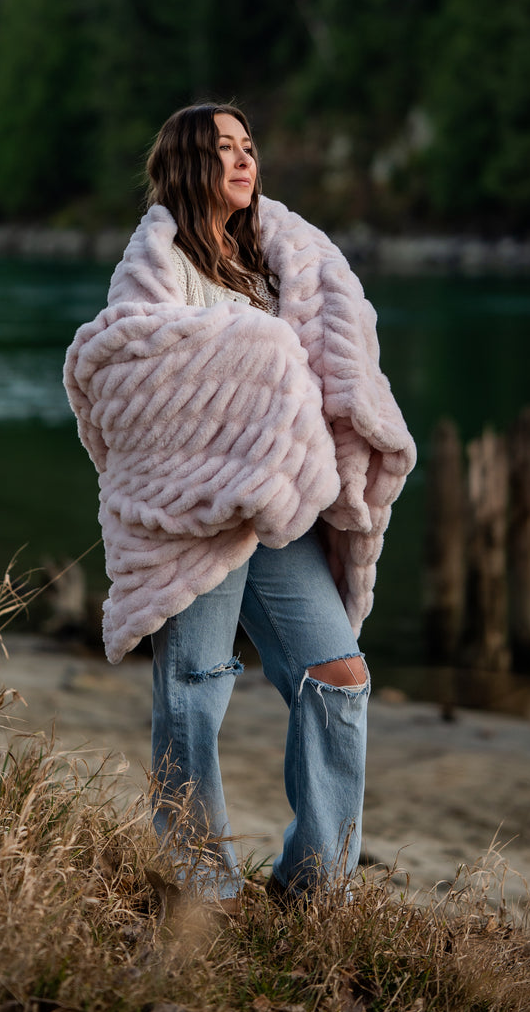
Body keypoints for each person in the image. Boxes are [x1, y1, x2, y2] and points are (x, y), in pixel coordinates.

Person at [63, 102, 416, 905]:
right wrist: (251, 355)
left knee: (339, 673)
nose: (243, 159)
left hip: (277, 500)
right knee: (194, 685)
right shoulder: (156, 262)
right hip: (197, 510)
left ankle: (314, 883)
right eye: (224, 148)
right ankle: (201, 883)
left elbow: (314, 351)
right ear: (190, 162)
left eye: (249, 146)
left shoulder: (271, 261)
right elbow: (127, 374)